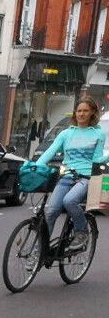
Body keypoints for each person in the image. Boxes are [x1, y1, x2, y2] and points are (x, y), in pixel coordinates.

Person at [36, 95, 106, 251]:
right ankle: (39, 251)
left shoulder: (98, 134)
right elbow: (50, 152)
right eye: (79, 111)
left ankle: (81, 231)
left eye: (85, 111)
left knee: (69, 201)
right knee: (51, 211)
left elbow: (97, 158)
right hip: (67, 176)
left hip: (86, 177)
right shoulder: (66, 134)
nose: (81, 114)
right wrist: (35, 166)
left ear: (92, 113)